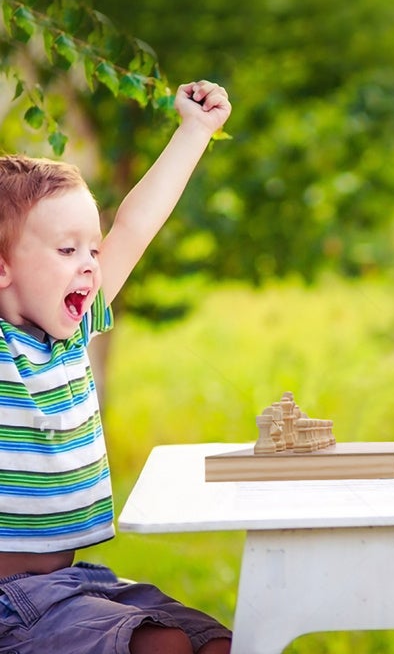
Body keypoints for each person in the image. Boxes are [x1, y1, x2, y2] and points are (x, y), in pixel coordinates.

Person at [0, 80, 233, 654]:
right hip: (11, 604)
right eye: (66, 250)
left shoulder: (70, 335)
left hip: (77, 582)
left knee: (220, 641)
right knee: (167, 646)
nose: (89, 265)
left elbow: (133, 227)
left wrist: (194, 132)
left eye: (92, 250)